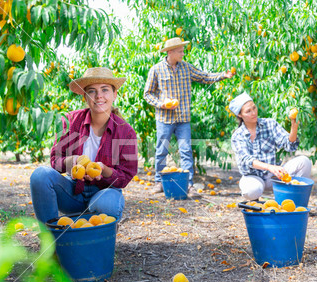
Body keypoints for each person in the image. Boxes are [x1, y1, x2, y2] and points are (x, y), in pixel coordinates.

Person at [30, 67, 138, 226]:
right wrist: (71, 161)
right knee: (40, 175)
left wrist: (104, 170)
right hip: (72, 192)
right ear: (85, 97)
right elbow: (55, 160)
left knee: (108, 203)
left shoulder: (125, 131)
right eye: (92, 91)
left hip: (102, 193)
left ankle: (99, 232)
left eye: (105, 90)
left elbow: (125, 176)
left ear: (114, 95)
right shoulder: (70, 120)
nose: (99, 96)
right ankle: (51, 238)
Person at [144, 37, 234, 195]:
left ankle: (189, 185)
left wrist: (222, 76)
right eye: (180, 51)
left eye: (183, 50)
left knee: (185, 151)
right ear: (170, 52)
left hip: (183, 118)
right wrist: (161, 104)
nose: (183, 53)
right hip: (165, 119)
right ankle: (159, 182)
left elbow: (204, 76)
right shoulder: (156, 70)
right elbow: (148, 94)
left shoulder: (186, 68)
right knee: (161, 151)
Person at [230, 92, 312, 201]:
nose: (254, 112)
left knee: (304, 162)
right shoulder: (238, 136)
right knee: (251, 191)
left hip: (275, 176)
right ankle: (254, 202)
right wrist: (270, 167)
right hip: (253, 177)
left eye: (254, 108)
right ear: (240, 115)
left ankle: (294, 201)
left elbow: (288, 144)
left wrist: (294, 125)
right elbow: (246, 160)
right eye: (248, 111)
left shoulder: (269, 124)